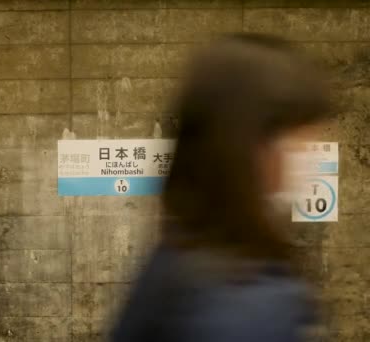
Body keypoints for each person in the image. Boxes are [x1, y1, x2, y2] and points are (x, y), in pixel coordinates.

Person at [111, 33, 333, 342]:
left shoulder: (174, 256)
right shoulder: (250, 303)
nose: (314, 150)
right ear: (253, 147)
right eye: (303, 135)